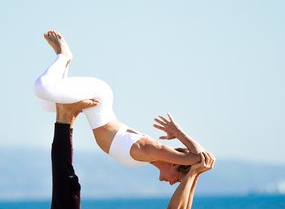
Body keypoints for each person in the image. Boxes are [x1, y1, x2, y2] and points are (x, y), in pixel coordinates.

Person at [45, 100, 214, 209]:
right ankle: (68, 117)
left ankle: (64, 119)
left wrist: (193, 173)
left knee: (66, 184)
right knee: (70, 185)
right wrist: (196, 174)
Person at [34, 30, 204, 185]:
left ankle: (65, 64)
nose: (174, 183)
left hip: (93, 103)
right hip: (98, 94)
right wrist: (179, 133)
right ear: (176, 164)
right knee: (42, 88)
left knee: (48, 105)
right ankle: (63, 55)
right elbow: (200, 157)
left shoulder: (148, 157)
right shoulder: (151, 149)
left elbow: (198, 159)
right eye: (180, 179)